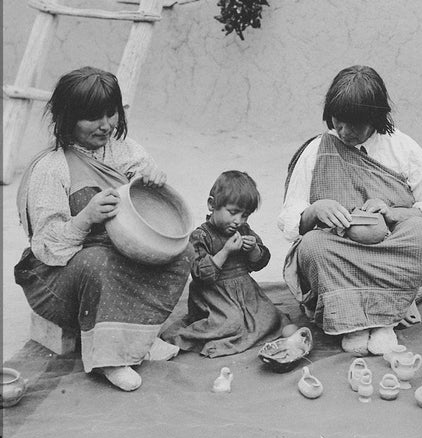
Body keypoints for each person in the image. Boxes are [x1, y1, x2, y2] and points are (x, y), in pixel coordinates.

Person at [14, 67, 191, 392]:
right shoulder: (52, 167)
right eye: (93, 117)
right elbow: (48, 248)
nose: (106, 125)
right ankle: (109, 359)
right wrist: (86, 218)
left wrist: (153, 179)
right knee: (98, 262)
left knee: (183, 250)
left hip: (116, 256)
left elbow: (148, 189)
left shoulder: (124, 149)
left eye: (111, 114)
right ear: (67, 118)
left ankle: (140, 338)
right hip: (60, 278)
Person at [278, 65, 422, 356]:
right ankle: (352, 322)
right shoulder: (318, 150)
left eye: (354, 125)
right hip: (340, 249)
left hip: (389, 247)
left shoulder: (402, 148)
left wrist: (394, 213)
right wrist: (316, 210)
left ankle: (384, 320)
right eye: (338, 122)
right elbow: (288, 220)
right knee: (311, 247)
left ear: (375, 118)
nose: (344, 132)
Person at [160, 170, 283, 356]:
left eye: (245, 215)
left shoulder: (244, 229)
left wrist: (253, 250)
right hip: (213, 295)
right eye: (233, 212)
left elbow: (259, 263)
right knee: (230, 322)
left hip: (244, 291)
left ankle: (239, 331)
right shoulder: (200, 236)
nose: (238, 221)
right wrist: (225, 252)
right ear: (212, 204)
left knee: (270, 315)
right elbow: (200, 274)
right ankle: (184, 337)